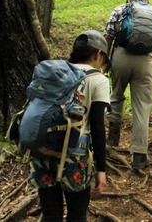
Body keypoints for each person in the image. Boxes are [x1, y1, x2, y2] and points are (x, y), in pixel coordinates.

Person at [28, 30, 111, 222]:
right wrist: (101, 169)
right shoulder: (98, 80)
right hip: (75, 156)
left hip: (42, 150)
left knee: (50, 214)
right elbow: (98, 127)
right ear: (98, 54)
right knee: (77, 214)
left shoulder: (55, 73)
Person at [104, 0, 152, 170]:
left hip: (121, 56)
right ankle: (140, 155)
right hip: (145, 62)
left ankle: (112, 139)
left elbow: (108, 36)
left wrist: (105, 60)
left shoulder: (120, 9)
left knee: (116, 95)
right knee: (142, 106)